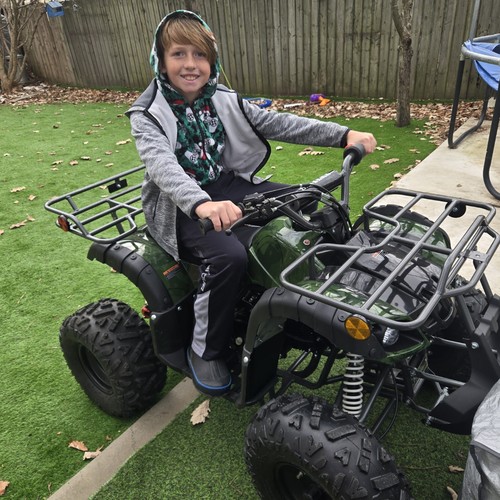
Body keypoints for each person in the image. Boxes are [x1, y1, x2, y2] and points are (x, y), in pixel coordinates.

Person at [126, 10, 377, 396]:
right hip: (179, 207)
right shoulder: (147, 113)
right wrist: (201, 204)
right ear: (160, 60)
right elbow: (162, 165)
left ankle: (327, 291)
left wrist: (342, 134)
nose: (190, 64)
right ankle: (204, 349)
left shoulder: (222, 99)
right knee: (229, 257)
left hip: (225, 185)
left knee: (307, 200)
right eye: (178, 54)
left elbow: (280, 123)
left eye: (200, 55)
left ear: (212, 62)